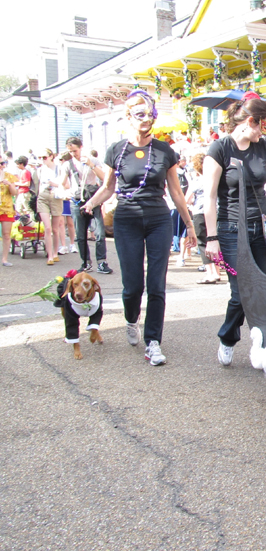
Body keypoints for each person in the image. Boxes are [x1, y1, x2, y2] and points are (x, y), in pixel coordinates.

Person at [82, 90, 196, 366]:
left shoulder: (164, 150)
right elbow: (109, 187)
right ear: (128, 117)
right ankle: (131, 319)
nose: (146, 118)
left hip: (158, 219)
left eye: (150, 113)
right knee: (132, 285)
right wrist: (90, 204)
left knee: (156, 284)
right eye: (139, 113)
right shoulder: (116, 150)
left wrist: (190, 225)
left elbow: (177, 192)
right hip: (127, 220)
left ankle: (153, 341)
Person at [203, 94, 266, 366]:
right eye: (265, 126)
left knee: (263, 289)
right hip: (232, 228)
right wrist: (211, 238)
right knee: (241, 293)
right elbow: (209, 198)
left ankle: (261, 346)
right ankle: (228, 336)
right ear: (250, 121)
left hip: (265, 226)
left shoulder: (264, 149)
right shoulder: (219, 149)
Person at [62, 136, 113, 274]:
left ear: (81, 147)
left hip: (93, 200)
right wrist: (65, 192)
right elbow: (62, 182)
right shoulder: (67, 164)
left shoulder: (93, 161)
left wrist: (91, 165)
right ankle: (85, 262)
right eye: (71, 151)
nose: (74, 154)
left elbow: (104, 178)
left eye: (75, 150)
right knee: (80, 234)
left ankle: (102, 262)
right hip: (77, 200)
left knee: (99, 233)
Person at [186, 152, 221, 284]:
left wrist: (191, 206)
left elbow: (187, 199)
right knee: (216, 241)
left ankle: (210, 273)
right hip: (216, 211)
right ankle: (218, 271)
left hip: (200, 212)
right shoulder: (215, 178)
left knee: (203, 243)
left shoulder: (197, 181)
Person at [35, 150, 65, 266]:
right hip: (43, 196)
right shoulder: (40, 169)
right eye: (40, 157)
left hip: (55, 196)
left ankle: (55, 252)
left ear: (51, 156)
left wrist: (54, 184)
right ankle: (50, 255)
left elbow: (65, 184)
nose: (42, 159)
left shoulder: (59, 168)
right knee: (47, 228)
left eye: (44, 157)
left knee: (55, 228)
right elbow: (39, 184)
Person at [0, 158, 18, 267]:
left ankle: (5, 259)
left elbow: (14, 193)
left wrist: (9, 185)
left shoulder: (9, 176)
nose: (1, 165)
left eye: (2, 163)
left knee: (6, 235)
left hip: (7, 208)